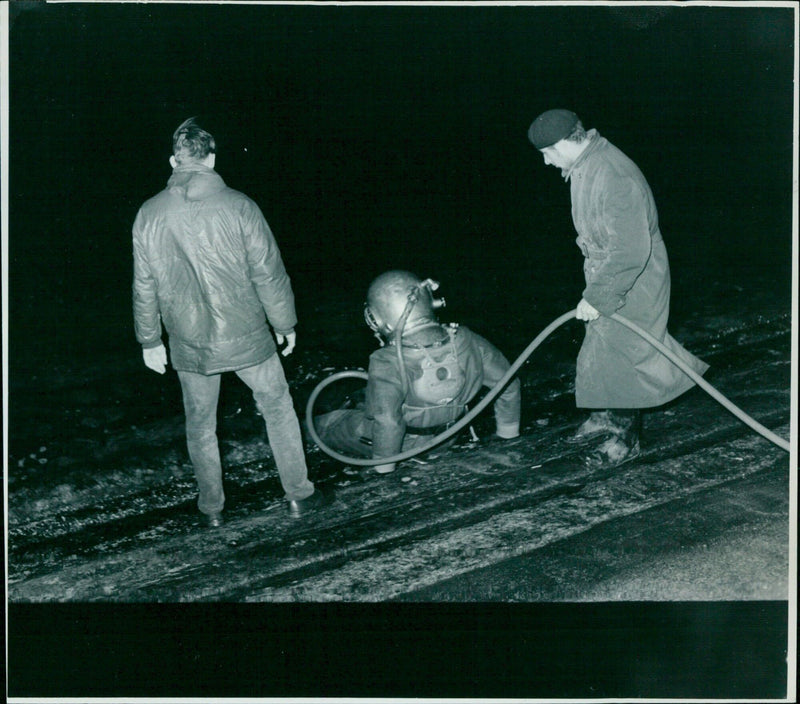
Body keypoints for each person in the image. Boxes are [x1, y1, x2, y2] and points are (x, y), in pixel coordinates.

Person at [132, 117, 330, 526]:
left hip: (188, 341)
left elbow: (143, 283)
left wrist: (150, 340)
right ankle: (300, 496)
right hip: (248, 337)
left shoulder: (148, 214)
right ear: (213, 158)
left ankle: (212, 510)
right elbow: (268, 272)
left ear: (174, 161)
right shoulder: (240, 205)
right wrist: (284, 324)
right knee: (277, 407)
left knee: (201, 426)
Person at [528, 108, 709, 469]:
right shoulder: (585, 165)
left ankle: (625, 439)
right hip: (609, 274)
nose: (546, 163)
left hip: (633, 280)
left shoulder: (612, 175)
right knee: (600, 347)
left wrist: (598, 296)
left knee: (625, 357)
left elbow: (630, 250)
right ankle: (608, 413)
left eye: (548, 153)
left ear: (566, 142)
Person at [312, 270, 521, 474]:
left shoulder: (387, 359)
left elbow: (388, 421)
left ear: (375, 318)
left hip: (404, 445)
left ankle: (300, 431)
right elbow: (508, 383)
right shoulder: (466, 338)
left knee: (326, 425)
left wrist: (385, 466)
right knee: (368, 400)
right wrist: (508, 434)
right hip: (447, 436)